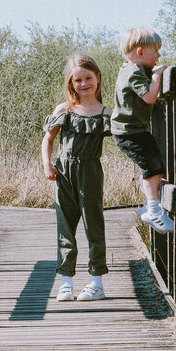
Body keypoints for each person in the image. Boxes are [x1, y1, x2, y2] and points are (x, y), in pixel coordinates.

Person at [41, 54, 111, 301]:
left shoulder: (105, 112)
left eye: (88, 78)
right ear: (71, 83)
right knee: (65, 227)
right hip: (64, 173)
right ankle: (66, 282)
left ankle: (96, 283)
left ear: (98, 78)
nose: (84, 84)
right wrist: (47, 164)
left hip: (90, 173)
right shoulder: (65, 110)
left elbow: (129, 138)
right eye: (78, 80)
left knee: (94, 226)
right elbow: (48, 139)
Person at [111, 27, 175, 234]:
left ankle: (150, 203)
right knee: (151, 166)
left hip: (134, 129)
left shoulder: (131, 69)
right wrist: (156, 76)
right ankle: (154, 211)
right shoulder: (133, 73)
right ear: (140, 52)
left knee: (155, 164)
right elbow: (149, 97)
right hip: (128, 132)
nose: (158, 56)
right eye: (155, 51)